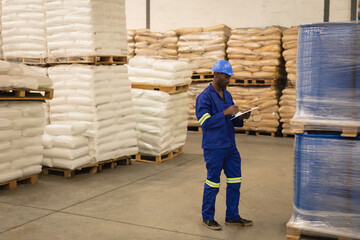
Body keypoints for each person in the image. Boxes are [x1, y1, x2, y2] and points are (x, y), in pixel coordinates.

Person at [195, 60, 253, 230]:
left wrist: (241, 118)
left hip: (230, 147)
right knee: (213, 183)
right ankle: (208, 217)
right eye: (226, 76)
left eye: (230, 77)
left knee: (235, 181)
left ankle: (232, 216)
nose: (229, 80)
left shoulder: (227, 95)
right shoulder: (204, 97)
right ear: (216, 75)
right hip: (214, 147)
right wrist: (226, 112)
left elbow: (230, 120)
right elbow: (205, 122)